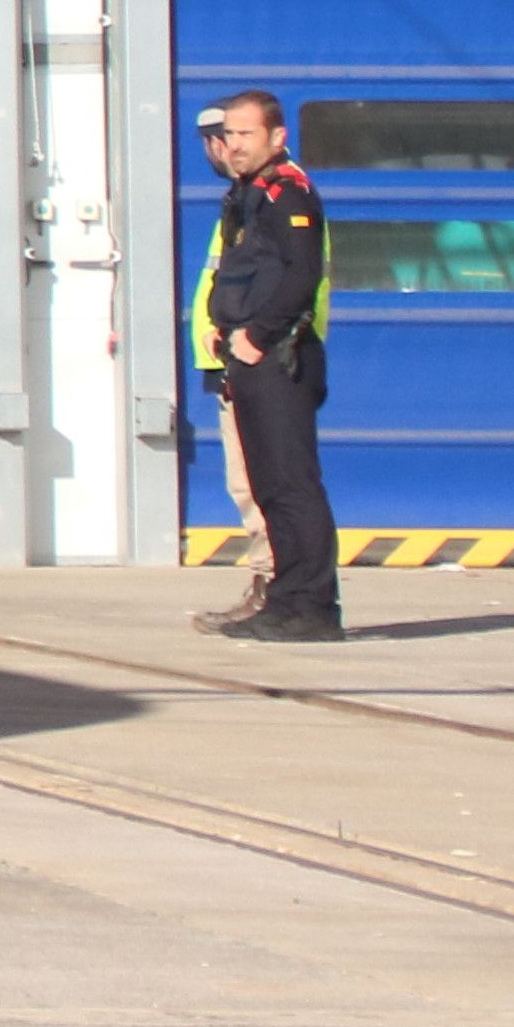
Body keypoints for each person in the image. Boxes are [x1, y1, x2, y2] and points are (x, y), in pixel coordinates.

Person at [194, 89, 341, 644]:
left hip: (281, 357)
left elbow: (301, 276)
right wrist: (220, 325)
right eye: (229, 135)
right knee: (269, 489)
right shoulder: (247, 195)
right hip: (246, 357)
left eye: (246, 134)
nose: (234, 145)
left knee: (293, 484)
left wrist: (256, 336)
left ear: (277, 138)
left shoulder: (289, 195)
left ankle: (313, 608)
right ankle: (284, 601)